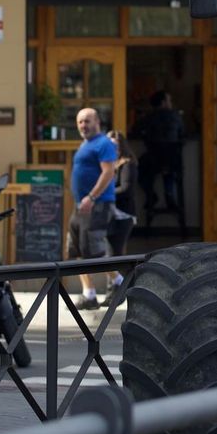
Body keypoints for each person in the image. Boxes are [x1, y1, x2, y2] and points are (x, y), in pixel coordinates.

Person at [68, 107, 118, 310]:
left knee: (94, 252)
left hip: (97, 204)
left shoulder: (104, 143)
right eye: (80, 122)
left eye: (87, 121)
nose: (83, 125)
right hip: (81, 205)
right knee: (77, 250)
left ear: (97, 122)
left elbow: (108, 173)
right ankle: (88, 294)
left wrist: (92, 196)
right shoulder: (85, 144)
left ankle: (118, 281)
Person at [134, 90, 185, 219]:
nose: (171, 103)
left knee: (136, 169)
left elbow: (135, 130)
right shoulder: (176, 116)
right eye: (169, 100)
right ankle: (169, 195)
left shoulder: (149, 117)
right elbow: (183, 135)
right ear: (163, 102)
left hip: (153, 160)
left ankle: (151, 195)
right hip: (174, 160)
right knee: (169, 170)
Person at [108, 130, 138, 259]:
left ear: (122, 146)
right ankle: (116, 279)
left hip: (123, 214)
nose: (112, 149)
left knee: (117, 253)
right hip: (109, 213)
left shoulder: (127, 164)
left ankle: (124, 279)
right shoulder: (108, 164)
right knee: (108, 253)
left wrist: (105, 194)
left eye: (116, 145)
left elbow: (126, 189)